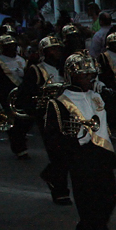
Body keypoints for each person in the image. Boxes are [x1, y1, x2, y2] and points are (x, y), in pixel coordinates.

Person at [45, 51, 116, 230]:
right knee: (91, 206)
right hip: (81, 159)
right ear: (71, 76)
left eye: (91, 75)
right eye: (84, 75)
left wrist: (113, 97)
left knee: (109, 200)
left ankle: (85, 229)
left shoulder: (96, 96)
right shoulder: (59, 103)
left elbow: (113, 118)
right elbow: (53, 137)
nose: (89, 79)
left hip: (103, 156)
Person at [15, 35, 71, 204]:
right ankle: (60, 191)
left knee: (67, 152)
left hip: (65, 114)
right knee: (57, 154)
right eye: (53, 49)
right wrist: (38, 106)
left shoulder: (63, 69)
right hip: (47, 117)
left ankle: (50, 175)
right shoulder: (36, 70)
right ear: (45, 52)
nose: (57, 52)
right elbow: (24, 97)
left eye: (58, 48)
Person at [0, 33, 28, 159]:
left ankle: (21, 141)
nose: (12, 48)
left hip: (22, 96)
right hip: (6, 98)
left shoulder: (21, 60)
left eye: (13, 45)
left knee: (25, 122)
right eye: (8, 46)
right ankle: (20, 149)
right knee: (13, 125)